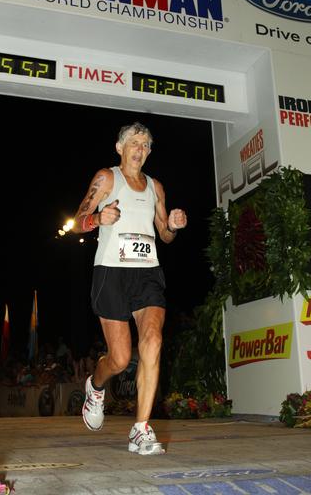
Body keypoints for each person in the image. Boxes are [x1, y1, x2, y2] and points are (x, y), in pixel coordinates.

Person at [72, 121, 187, 455]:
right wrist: (97, 220)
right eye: (134, 143)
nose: (140, 149)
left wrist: (174, 227)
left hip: (147, 273)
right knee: (120, 360)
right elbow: (78, 218)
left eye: (146, 145)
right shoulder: (106, 178)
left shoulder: (156, 187)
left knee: (153, 340)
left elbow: (164, 234)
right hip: (111, 272)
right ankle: (95, 387)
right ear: (120, 148)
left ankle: (141, 429)